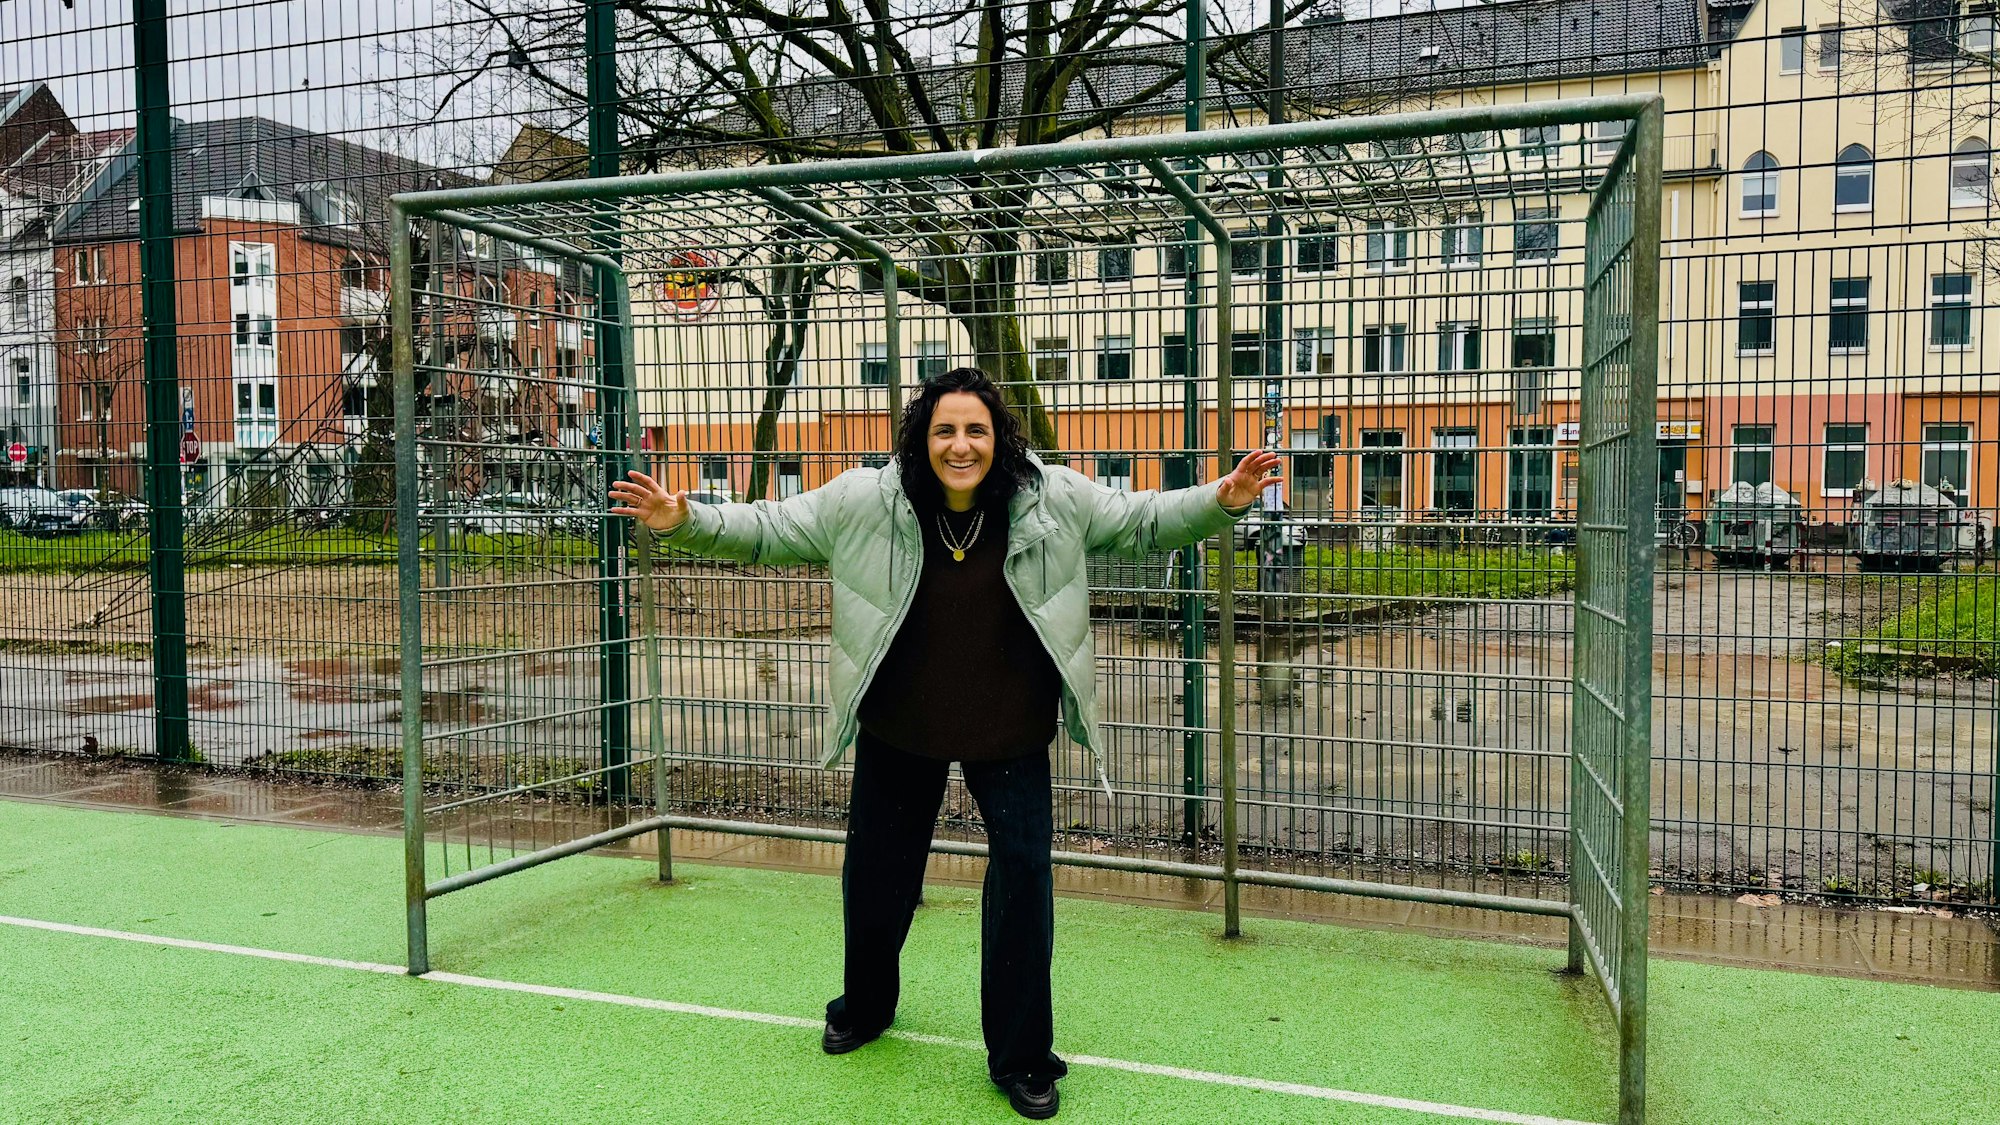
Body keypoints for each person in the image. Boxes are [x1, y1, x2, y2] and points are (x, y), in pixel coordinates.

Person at [609, 367, 1279, 1120]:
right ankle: (865, 1005)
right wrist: (682, 518)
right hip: (901, 723)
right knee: (875, 877)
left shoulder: (1051, 499)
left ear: (1000, 437)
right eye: (945, 430)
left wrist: (1221, 501)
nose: (961, 446)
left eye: (976, 430)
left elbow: (1143, 517)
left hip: (1012, 727)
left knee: (1023, 884)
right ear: (921, 438)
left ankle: (1023, 1055)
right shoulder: (866, 499)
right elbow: (771, 529)